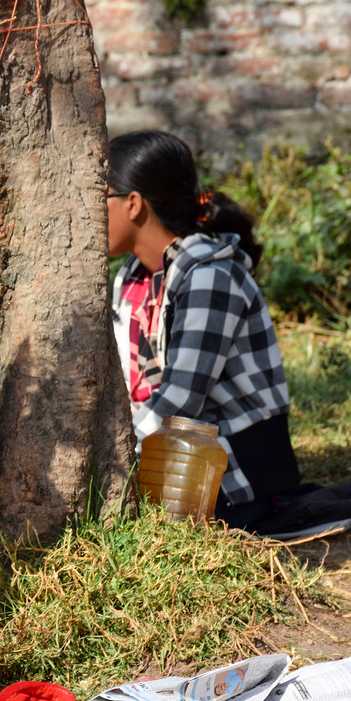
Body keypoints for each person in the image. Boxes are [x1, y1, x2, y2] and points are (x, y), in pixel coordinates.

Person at [105, 130, 300, 528]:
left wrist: (111, 462)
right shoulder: (132, 277)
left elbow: (181, 400)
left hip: (232, 479)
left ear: (133, 204)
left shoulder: (209, 274)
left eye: (98, 196)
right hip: (167, 462)